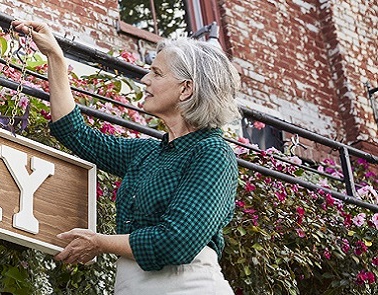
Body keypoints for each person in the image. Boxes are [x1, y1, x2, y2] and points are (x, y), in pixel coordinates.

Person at [12, 20, 240, 295]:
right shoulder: (147, 153)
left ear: (186, 89)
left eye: (156, 73)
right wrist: (55, 56)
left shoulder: (212, 153)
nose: (145, 80)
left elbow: (177, 240)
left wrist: (99, 242)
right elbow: (76, 134)